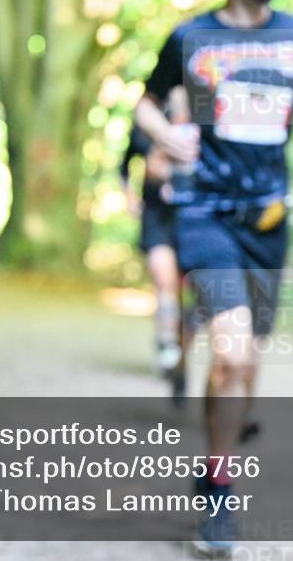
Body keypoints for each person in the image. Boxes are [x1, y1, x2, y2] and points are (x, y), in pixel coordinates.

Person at [135, 0, 293, 556]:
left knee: (245, 358)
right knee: (230, 352)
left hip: (268, 220)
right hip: (204, 210)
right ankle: (220, 492)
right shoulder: (190, 35)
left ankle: (216, 467)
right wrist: (164, 134)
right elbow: (146, 100)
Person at [120, 87, 189, 397]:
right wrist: (131, 196)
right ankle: (166, 344)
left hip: (192, 220)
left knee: (188, 294)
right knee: (164, 283)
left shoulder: (205, 127)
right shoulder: (145, 130)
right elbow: (124, 167)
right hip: (157, 217)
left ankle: (180, 359)